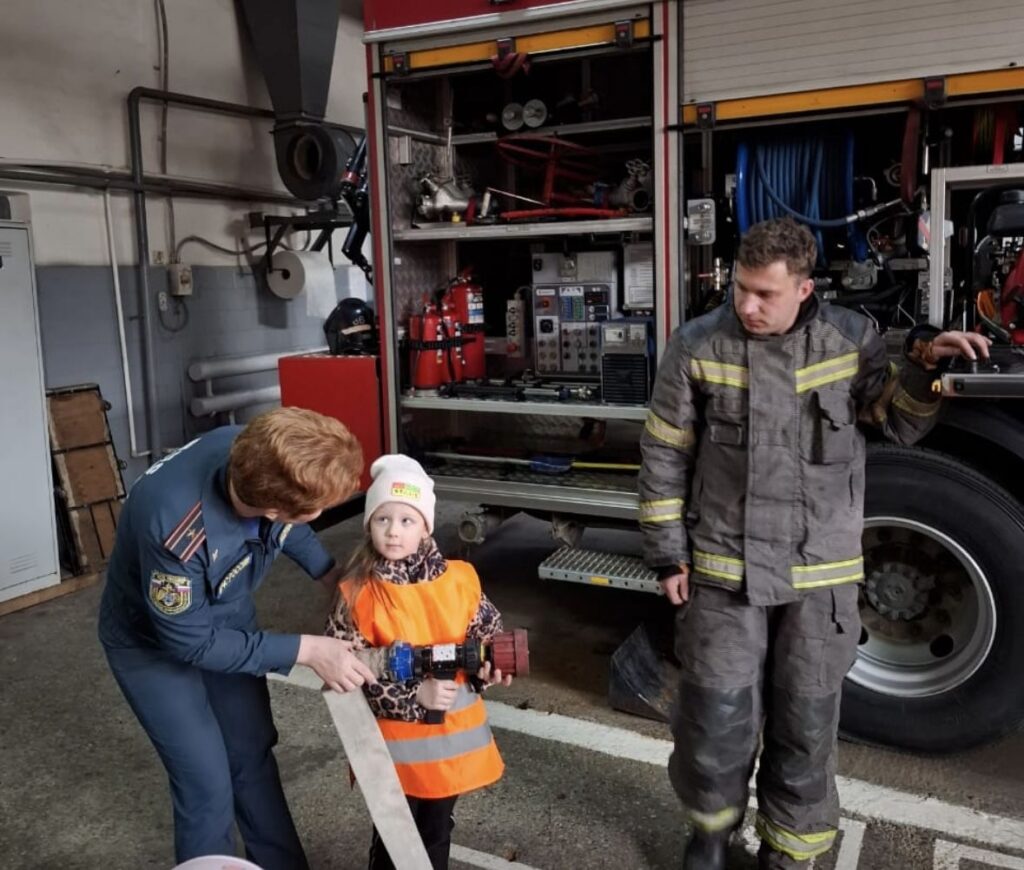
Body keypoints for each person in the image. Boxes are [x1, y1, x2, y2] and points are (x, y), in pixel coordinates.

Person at [638, 217, 991, 870]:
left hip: (819, 580)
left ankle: (788, 853)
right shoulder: (697, 345)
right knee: (715, 720)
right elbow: (664, 453)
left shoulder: (850, 341)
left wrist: (925, 368)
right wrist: (667, 552)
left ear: (804, 289)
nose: (747, 306)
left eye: (765, 294)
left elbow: (901, 423)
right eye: (741, 289)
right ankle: (710, 837)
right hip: (723, 573)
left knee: (805, 727)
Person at [98, 407, 378, 869]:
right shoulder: (174, 529)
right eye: (316, 509)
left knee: (250, 751)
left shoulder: (256, 450)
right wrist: (308, 650)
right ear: (272, 507)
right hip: (152, 644)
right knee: (205, 779)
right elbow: (190, 643)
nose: (317, 515)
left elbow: (288, 526)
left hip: (225, 613)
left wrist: (331, 576)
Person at [325, 454, 511, 870]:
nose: (393, 531)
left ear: (426, 526)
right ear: (368, 525)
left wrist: (488, 667)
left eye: (407, 520)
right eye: (382, 519)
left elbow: (487, 631)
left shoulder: (460, 580)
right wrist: (414, 698)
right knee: (394, 841)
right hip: (391, 754)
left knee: (435, 836)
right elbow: (344, 670)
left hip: (448, 750)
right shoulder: (357, 593)